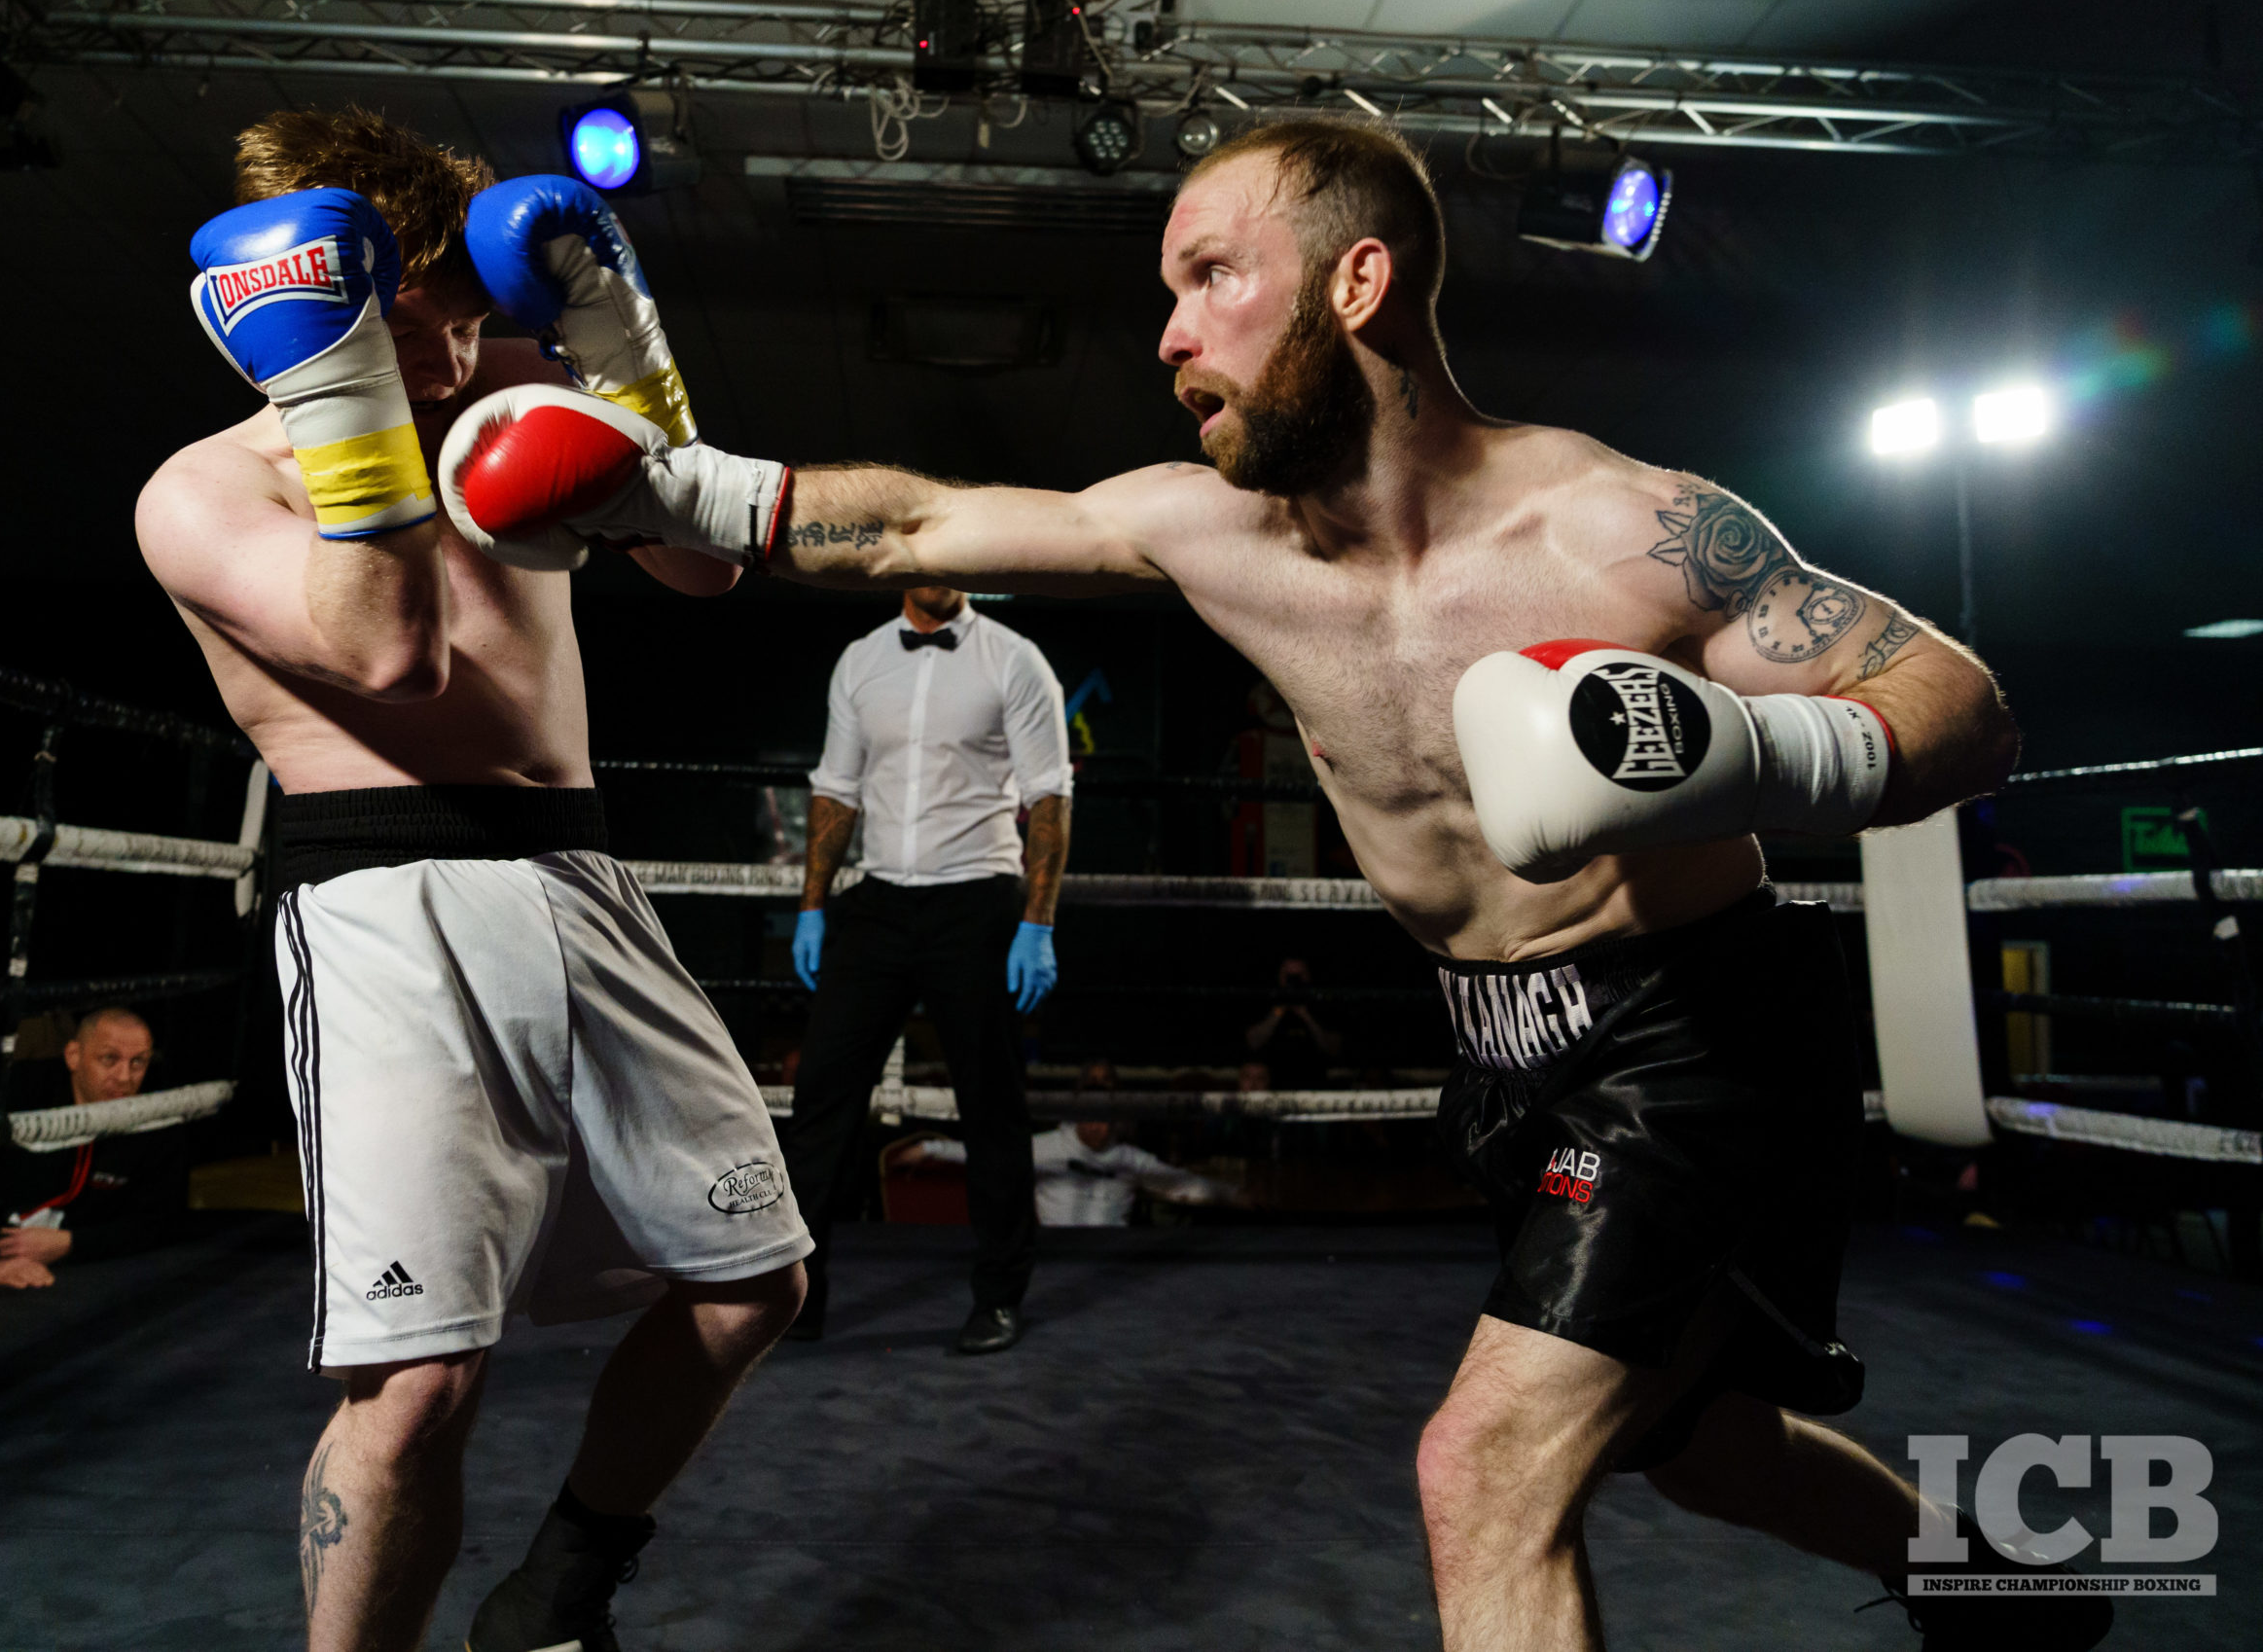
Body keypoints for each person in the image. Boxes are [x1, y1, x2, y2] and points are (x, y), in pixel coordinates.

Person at [442, 117, 2101, 1650]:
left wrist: (1738, 749)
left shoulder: (1618, 531)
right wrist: (668, 488)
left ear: (1355, 283)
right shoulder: (1205, 527)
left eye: (1209, 278)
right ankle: (1998, 1587)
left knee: (1486, 1468)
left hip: (1696, 1035)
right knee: (1705, 1442)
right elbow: (912, 528)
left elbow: (1962, 704)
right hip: (1499, 1043)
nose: (1169, 336)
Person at [133, 107, 810, 1652]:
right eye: (408, 317)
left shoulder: (510, 384)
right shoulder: (203, 495)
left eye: (461, 306)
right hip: (386, 901)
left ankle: (555, 1594)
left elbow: (703, 565)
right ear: (306, 307)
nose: (450, 349)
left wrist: (625, 355)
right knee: (422, 1377)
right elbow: (389, 652)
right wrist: (348, 398)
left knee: (752, 1280)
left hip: (579, 873)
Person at [781, 584, 1073, 1353]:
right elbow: (835, 789)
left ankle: (1000, 1297)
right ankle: (795, 1301)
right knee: (819, 1101)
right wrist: (811, 905)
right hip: (877, 902)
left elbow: (1049, 796)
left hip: (977, 899)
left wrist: (1037, 922)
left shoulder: (1014, 659)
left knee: (991, 1106)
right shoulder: (861, 660)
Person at [0, 1008, 192, 1295]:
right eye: (109, 1059)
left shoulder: (156, 1113)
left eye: (138, 1062)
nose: (125, 1077)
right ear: (73, 1056)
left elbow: (163, 1219)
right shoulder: (15, 1093)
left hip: (76, 1281)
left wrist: (72, 1243)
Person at [908, 1120, 1235, 1228]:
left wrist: (1236, 1196)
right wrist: (931, 1148)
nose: (1095, 1127)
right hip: (1055, 1253)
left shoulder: (1130, 1158)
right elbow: (991, 1154)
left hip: (1113, 1256)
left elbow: (1181, 1184)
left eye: (1103, 1119)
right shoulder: (1048, 1146)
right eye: (1088, 1118)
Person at [1243, 955, 1342, 1090]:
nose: (1294, 980)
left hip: (1314, 1084)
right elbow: (1253, 1042)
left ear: (1308, 976)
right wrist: (1278, 1012)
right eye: (1288, 975)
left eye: (1299, 975)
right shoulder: (1267, 1001)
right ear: (1279, 977)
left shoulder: (1321, 1003)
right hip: (1273, 1087)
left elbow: (1333, 1048)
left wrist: (1306, 1015)